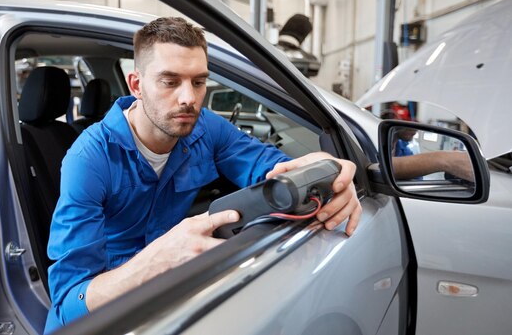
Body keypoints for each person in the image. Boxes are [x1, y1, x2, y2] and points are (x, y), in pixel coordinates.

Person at [44, 17, 362, 333]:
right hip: (113, 312)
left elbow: (274, 169)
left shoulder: (205, 128)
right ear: (137, 85)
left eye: (198, 82)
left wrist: (326, 169)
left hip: (178, 296)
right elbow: (69, 305)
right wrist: (156, 260)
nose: (189, 99)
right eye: (170, 82)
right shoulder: (89, 158)